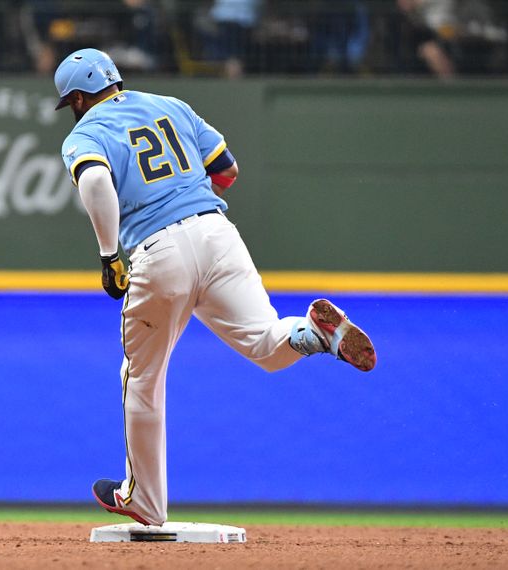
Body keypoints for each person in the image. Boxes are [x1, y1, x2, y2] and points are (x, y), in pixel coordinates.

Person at [53, 48, 377, 527]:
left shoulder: (87, 132)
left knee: (141, 378)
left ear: (78, 97)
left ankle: (143, 501)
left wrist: (108, 256)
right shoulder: (171, 105)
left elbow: (97, 180)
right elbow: (226, 170)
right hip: (216, 232)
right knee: (267, 344)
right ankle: (315, 333)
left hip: (157, 249)